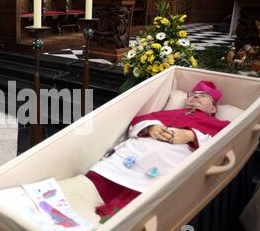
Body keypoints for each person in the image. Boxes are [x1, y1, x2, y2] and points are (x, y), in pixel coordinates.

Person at [85, 81, 231, 221]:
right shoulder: (168, 112)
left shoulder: (220, 125)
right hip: (132, 156)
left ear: (213, 109)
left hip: (165, 164)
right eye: (192, 94)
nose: (195, 96)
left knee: (133, 211)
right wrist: (151, 126)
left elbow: (226, 141)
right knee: (92, 186)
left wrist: (192, 136)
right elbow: (139, 120)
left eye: (203, 95)